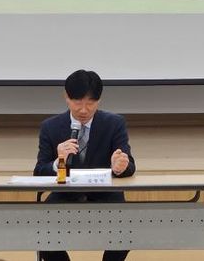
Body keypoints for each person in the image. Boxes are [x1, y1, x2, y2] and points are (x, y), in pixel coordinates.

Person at [34, 69, 135, 261]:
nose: (83, 110)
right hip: (65, 196)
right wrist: (58, 161)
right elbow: (39, 171)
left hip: (106, 196)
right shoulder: (50, 126)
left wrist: (120, 166)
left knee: (125, 233)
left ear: (99, 100)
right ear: (66, 97)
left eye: (90, 103)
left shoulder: (114, 123)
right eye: (77, 102)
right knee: (41, 232)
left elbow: (129, 165)